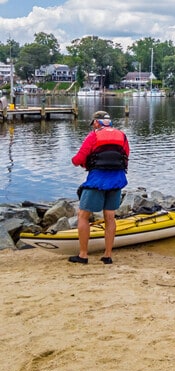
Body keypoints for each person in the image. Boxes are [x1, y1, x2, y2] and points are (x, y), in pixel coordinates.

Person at [69, 111, 130, 265]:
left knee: (83, 215)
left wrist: (78, 162)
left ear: (97, 123)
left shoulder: (93, 136)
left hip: (97, 181)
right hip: (117, 181)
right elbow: (126, 158)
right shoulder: (122, 136)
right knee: (110, 217)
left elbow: (79, 159)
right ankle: (107, 255)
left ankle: (83, 255)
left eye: (93, 123)